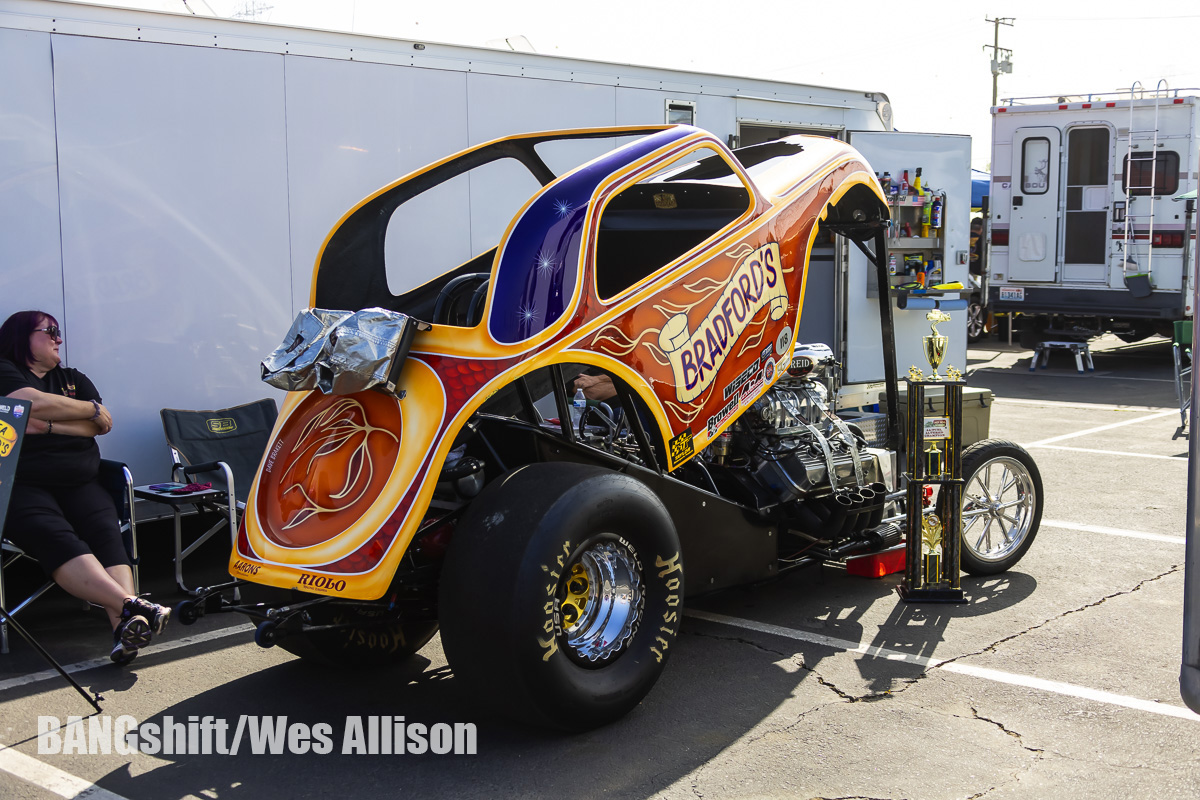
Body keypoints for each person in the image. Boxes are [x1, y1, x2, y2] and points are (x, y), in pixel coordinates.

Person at [0, 310, 169, 665]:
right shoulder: (5, 371)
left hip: (81, 480)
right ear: (21, 337)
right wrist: (84, 411)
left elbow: (100, 425)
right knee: (57, 538)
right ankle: (131, 607)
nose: (58, 338)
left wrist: (48, 426)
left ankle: (125, 626)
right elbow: (28, 402)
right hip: (22, 484)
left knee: (106, 534)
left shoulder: (73, 378)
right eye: (50, 331)